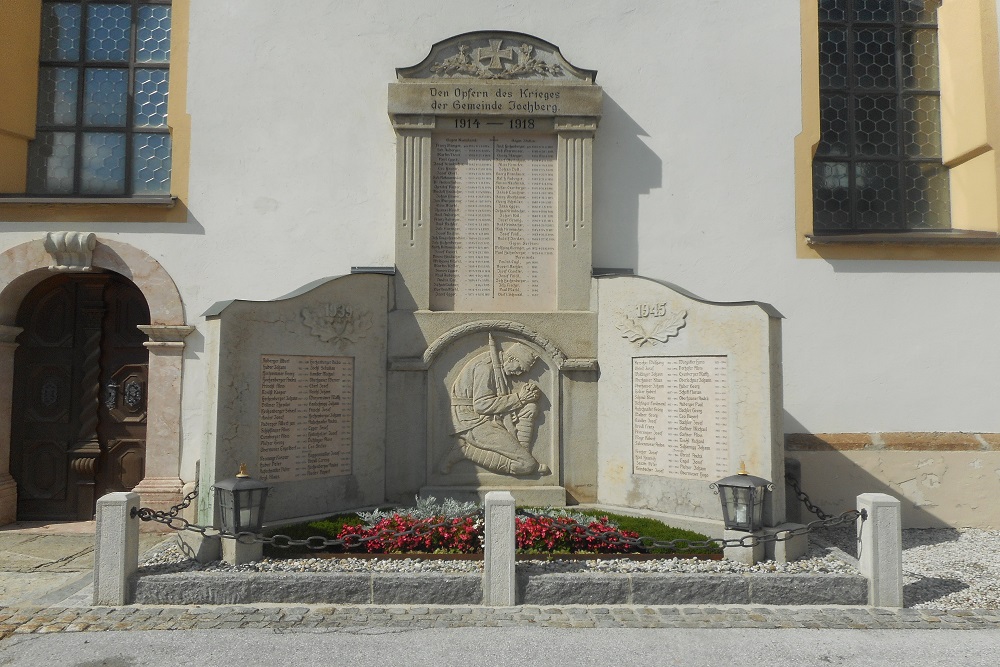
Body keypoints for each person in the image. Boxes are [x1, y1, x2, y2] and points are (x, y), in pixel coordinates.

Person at [439, 339, 549, 476]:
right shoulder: (486, 367)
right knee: (527, 466)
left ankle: (523, 454)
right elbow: (481, 405)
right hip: (472, 420)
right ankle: (465, 450)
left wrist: (526, 397)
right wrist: (520, 398)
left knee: (530, 408)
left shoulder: (498, 367)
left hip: (486, 415)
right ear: (511, 359)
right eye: (520, 368)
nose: (520, 373)